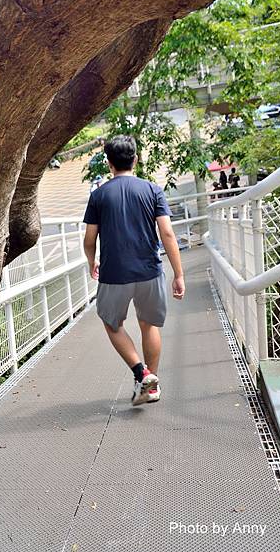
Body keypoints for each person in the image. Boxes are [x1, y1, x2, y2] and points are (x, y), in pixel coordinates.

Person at [83, 135, 185, 406]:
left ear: (109, 164)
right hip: (149, 270)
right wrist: (179, 273)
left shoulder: (98, 196)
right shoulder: (153, 190)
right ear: (135, 160)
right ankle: (150, 385)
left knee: (111, 322)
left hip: (114, 273)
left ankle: (141, 373)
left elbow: (89, 240)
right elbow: (167, 234)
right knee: (148, 325)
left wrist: (91, 260)